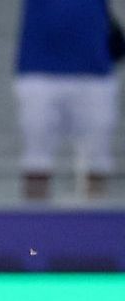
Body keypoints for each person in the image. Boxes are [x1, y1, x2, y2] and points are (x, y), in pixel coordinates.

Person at [15, 0, 120, 199]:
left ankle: (97, 223)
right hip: (39, 68)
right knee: (36, 161)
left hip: (93, 69)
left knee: (98, 160)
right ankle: (33, 222)